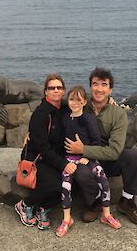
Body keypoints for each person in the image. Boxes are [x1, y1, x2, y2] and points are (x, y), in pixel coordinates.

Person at [65, 67, 137, 226]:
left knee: (131, 156)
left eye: (104, 85)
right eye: (95, 84)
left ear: (110, 89)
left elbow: (115, 151)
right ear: (90, 87)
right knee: (82, 174)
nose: (99, 88)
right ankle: (96, 201)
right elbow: (59, 103)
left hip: (106, 158)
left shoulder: (118, 113)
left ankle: (127, 201)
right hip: (86, 161)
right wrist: (33, 130)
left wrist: (83, 149)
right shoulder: (81, 103)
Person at [56, 86, 121, 237]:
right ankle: (66, 219)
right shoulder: (65, 117)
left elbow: (96, 141)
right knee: (65, 187)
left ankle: (106, 214)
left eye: (79, 100)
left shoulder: (88, 118)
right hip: (69, 159)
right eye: (72, 99)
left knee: (103, 181)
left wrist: (87, 156)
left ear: (85, 102)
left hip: (87, 158)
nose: (75, 103)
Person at [14, 73, 78, 230]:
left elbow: (82, 102)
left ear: (63, 91)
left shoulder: (64, 108)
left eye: (59, 87)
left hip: (54, 156)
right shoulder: (40, 114)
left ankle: (43, 207)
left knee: (72, 183)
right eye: (52, 88)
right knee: (57, 185)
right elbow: (43, 147)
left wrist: (109, 103)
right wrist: (63, 164)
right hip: (38, 157)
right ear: (45, 92)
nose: (56, 90)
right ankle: (25, 205)